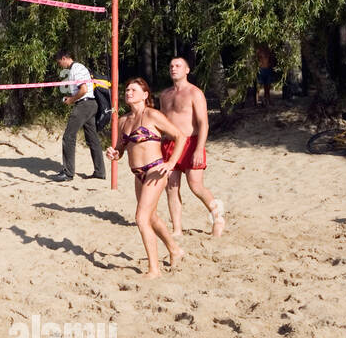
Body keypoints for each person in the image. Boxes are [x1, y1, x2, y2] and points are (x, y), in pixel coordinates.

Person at [103, 78, 185, 279]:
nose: (128, 92)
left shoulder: (153, 115)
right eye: (127, 89)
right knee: (152, 217)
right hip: (137, 174)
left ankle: (154, 270)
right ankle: (175, 250)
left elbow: (180, 136)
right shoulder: (124, 121)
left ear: (145, 95)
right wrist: (114, 154)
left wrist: (171, 162)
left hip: (155, 170)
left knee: (141, 218)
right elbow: (121, 150)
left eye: (133, 89)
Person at [158, 56, 225, 237]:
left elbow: (204, 123)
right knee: (171, 187)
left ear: (187, 70)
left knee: (195, 185)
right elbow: (163, 122)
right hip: (170, 143)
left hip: (191, 142)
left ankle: (217, 216)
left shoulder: (195, 93)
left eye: (178, 66)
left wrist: (198, 148)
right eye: (171, 66)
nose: (174, 68)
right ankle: (177, 229)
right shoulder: (164, 95)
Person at [55, 50, 106, 182]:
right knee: (92, 138)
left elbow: (83, 89)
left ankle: (68, 173)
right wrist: (72, 98)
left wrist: (71, 100)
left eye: (59, 62)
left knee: (68, 136)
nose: (59, 65)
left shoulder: (76, 68)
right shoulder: (77, 68)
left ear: (64, 58)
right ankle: (100, 172)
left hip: (85, 104)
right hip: (89, 104)